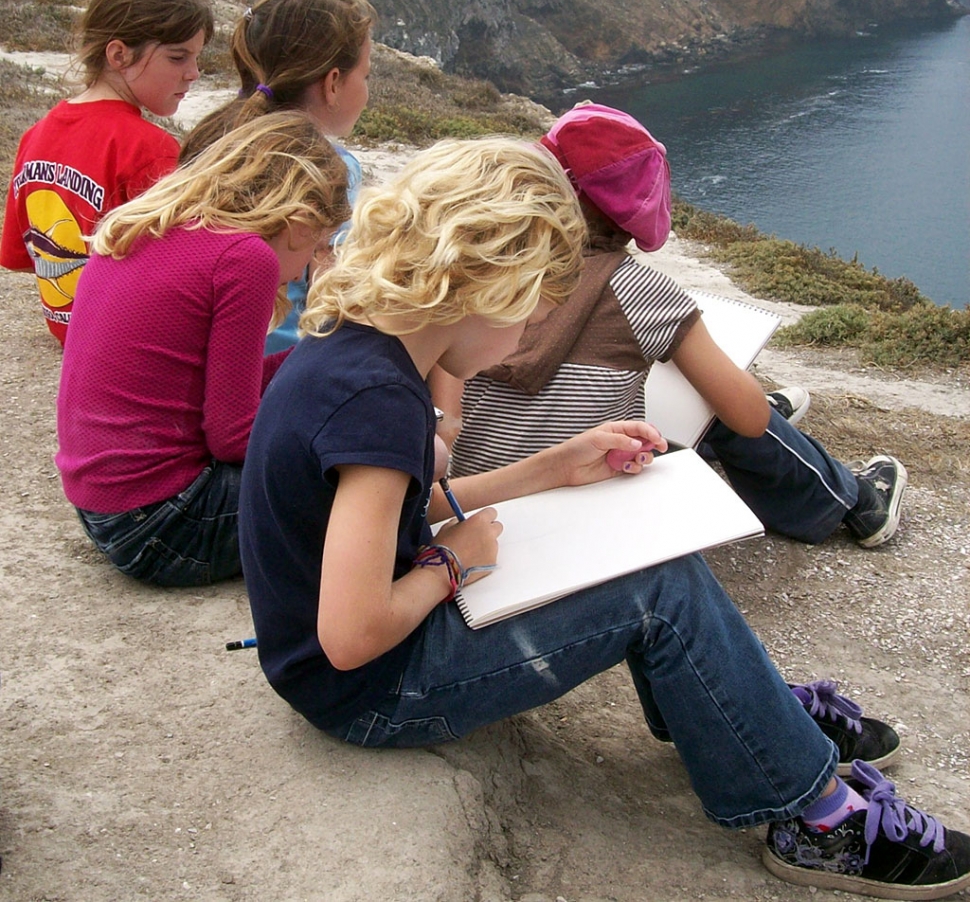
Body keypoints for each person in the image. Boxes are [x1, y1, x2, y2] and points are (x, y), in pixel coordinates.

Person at [238, 137, 969, 899]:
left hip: (364, 652)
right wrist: (449, 562)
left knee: (649, 555)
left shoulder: (358, 345)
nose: (526, 337)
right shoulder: (381, 403)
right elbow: (351, 638)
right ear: (484, 286)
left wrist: (556, 467)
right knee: (660, 588)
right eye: (531, 312)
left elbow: (391, 510)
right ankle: (820, 821)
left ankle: (748, 716)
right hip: (371, 693)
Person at [445, 103, 906, 551]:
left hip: (465, 499)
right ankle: (855, 502)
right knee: (717, 397)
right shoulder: (640, 291)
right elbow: (748, 418)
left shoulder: (475, 264)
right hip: (576, 503)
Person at [56, 112, 350, 587]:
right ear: (298, 224)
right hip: (169, 523)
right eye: (315, 247)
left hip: (106, 510)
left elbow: (210, 389)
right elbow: (233, 438)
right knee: (368, 486)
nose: (301, 274)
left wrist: (313, 355)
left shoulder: (150, 225)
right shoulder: (244, 258)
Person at [0, 0, 214, 345]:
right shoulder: (150, 150)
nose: (194, 73)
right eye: (178, 57)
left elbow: (19, 254)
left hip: (68, 328)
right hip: (125, 339)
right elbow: (182, 277)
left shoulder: (36, 135)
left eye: (196, 58)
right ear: (119, 55)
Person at [179, 0, 376, 351]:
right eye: (365, 75)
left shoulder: (212, 137)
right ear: (332, 83)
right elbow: (330, 292)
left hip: (199, 348)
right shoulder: (332, 168)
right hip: (280, 361)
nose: (366, 89)